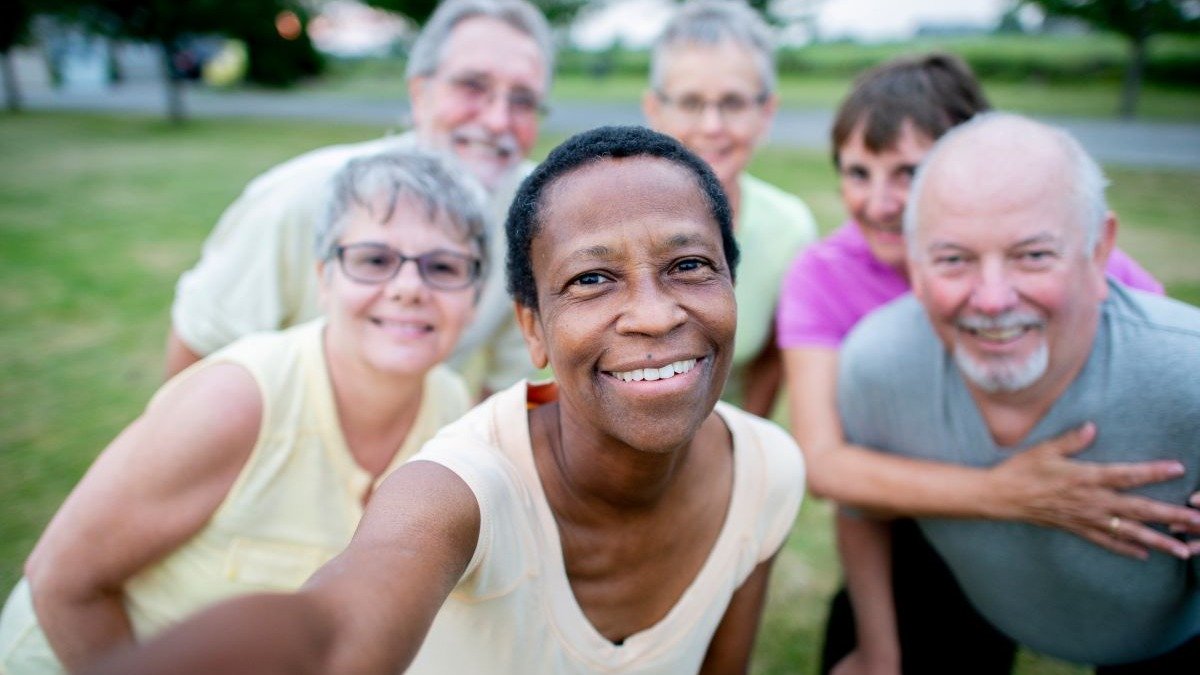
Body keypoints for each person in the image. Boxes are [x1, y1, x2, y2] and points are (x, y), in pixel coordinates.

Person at [83, 125, 805, 675]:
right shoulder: (463, 487)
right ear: (533, 328)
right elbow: (335, 626)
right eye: (591, 279)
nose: (652, 314)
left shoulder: (768, 470)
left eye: (688, 266)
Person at [774, 54, 1188, 674]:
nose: (879, 202)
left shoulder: (1079, 273)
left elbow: (1151, 369)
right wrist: (1009, 493)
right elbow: (828, 465)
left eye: (907, 173)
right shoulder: (831, 284)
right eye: (857, 173)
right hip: (922, 511)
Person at [0, 150, 488, 674]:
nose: (409, 288)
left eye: (442, 267)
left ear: (475, 295)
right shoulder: (238, 399)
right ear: (324, 279)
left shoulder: (451, 409)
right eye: (373, 260)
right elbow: (60, 582)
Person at [164, 0, 555, 394]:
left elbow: (505, 387)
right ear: (420, 94)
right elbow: (198, 358)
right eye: (472, 85)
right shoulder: (300, 197)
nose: (497, 120)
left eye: (523, 100)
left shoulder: (537, 212)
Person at [643, 0, 817, 417]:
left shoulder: (789, 230)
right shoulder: (602, 217)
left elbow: (770, 363)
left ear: (766, 112)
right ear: (654, 109)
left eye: (734, 103)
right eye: (690, 102)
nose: (712, 126)